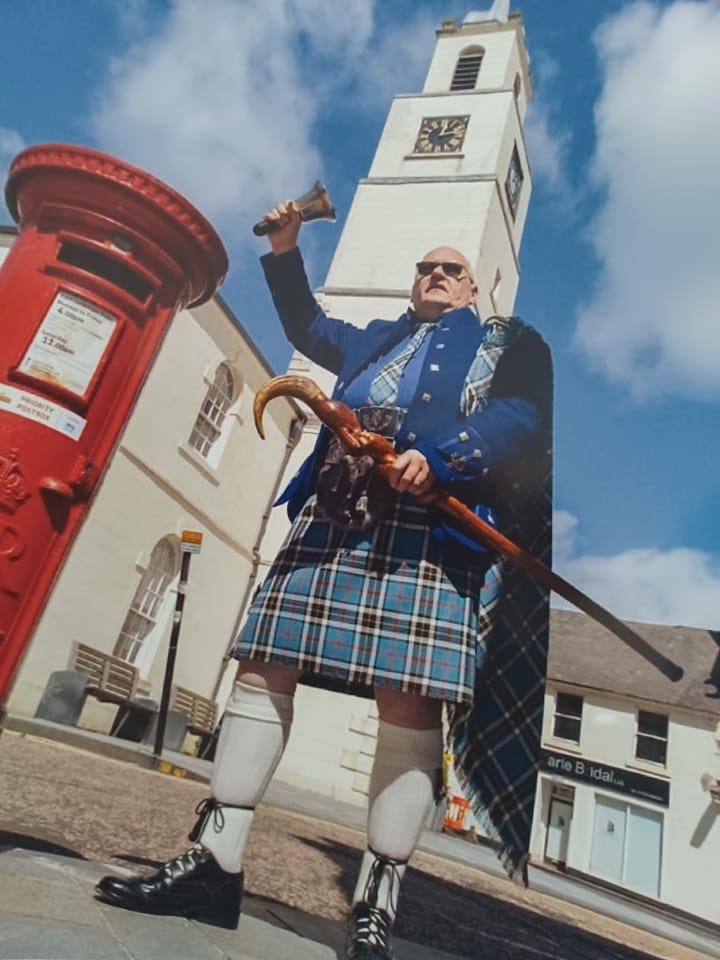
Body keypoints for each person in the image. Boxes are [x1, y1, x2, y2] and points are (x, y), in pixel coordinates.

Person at [96, 202, 553, 960]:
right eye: (426, 269)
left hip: (429, 538)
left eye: (452, 270)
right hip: (335, 518)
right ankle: (215, 863)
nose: (436, 277)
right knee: (262, 668)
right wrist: (284, 247)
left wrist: (444, 458)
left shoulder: (504, 348)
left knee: (407, 702)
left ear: (474, 290)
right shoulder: (373, 340)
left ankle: (374, 907)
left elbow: (519, 418)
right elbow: (307, 326)